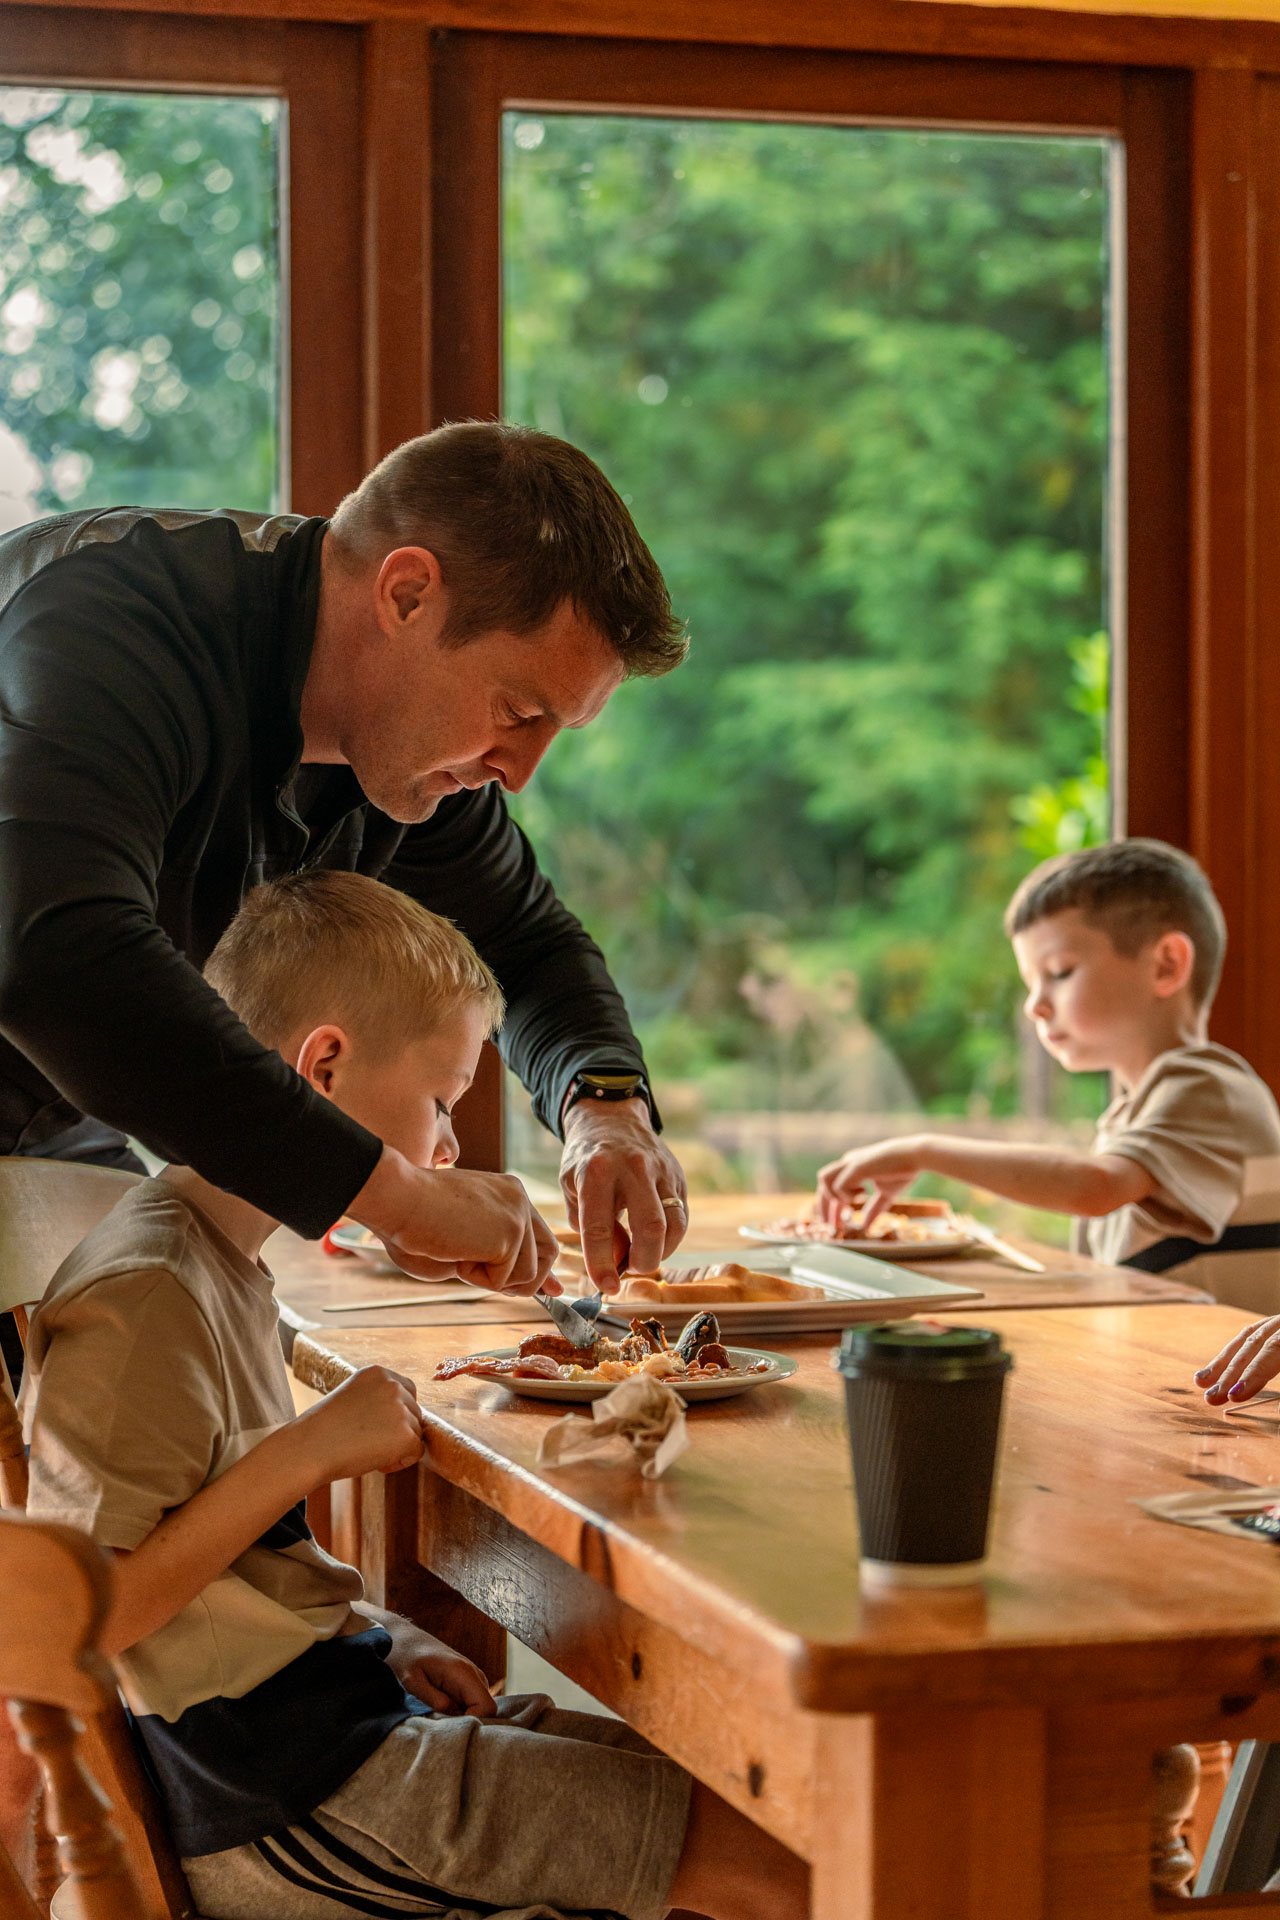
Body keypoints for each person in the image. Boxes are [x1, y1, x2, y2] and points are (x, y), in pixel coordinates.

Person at [20, 869, 807, 1920]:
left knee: (745, 1810)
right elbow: (91, 1616)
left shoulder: (213, 1260)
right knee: (777, 1868)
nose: (445, 1146)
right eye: (440, 1101)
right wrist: (309, 1451)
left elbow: (243, 1572)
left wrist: (383, 1634)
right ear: (324, 1068)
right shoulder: (150, 1287)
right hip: (285, 1794)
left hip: (326, 1726)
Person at [0, 422, 692, 1300]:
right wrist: (392, 1194)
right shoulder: (110, 622)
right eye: (518, 710)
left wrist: (606, 1110)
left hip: (50, 1129)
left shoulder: (402, 755)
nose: (517, 773)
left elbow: (526, 948)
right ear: (406, 594)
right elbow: (55, 958)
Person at [816, 840, 1280, 1312]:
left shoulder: (1210, 1089)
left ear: (1166, 965)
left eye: (1059, 973)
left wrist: (924, 1150)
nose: (1033, 1004)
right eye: (1029, 982)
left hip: (1229, 1381)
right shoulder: (1142, 1110)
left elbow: (1094, 1188)